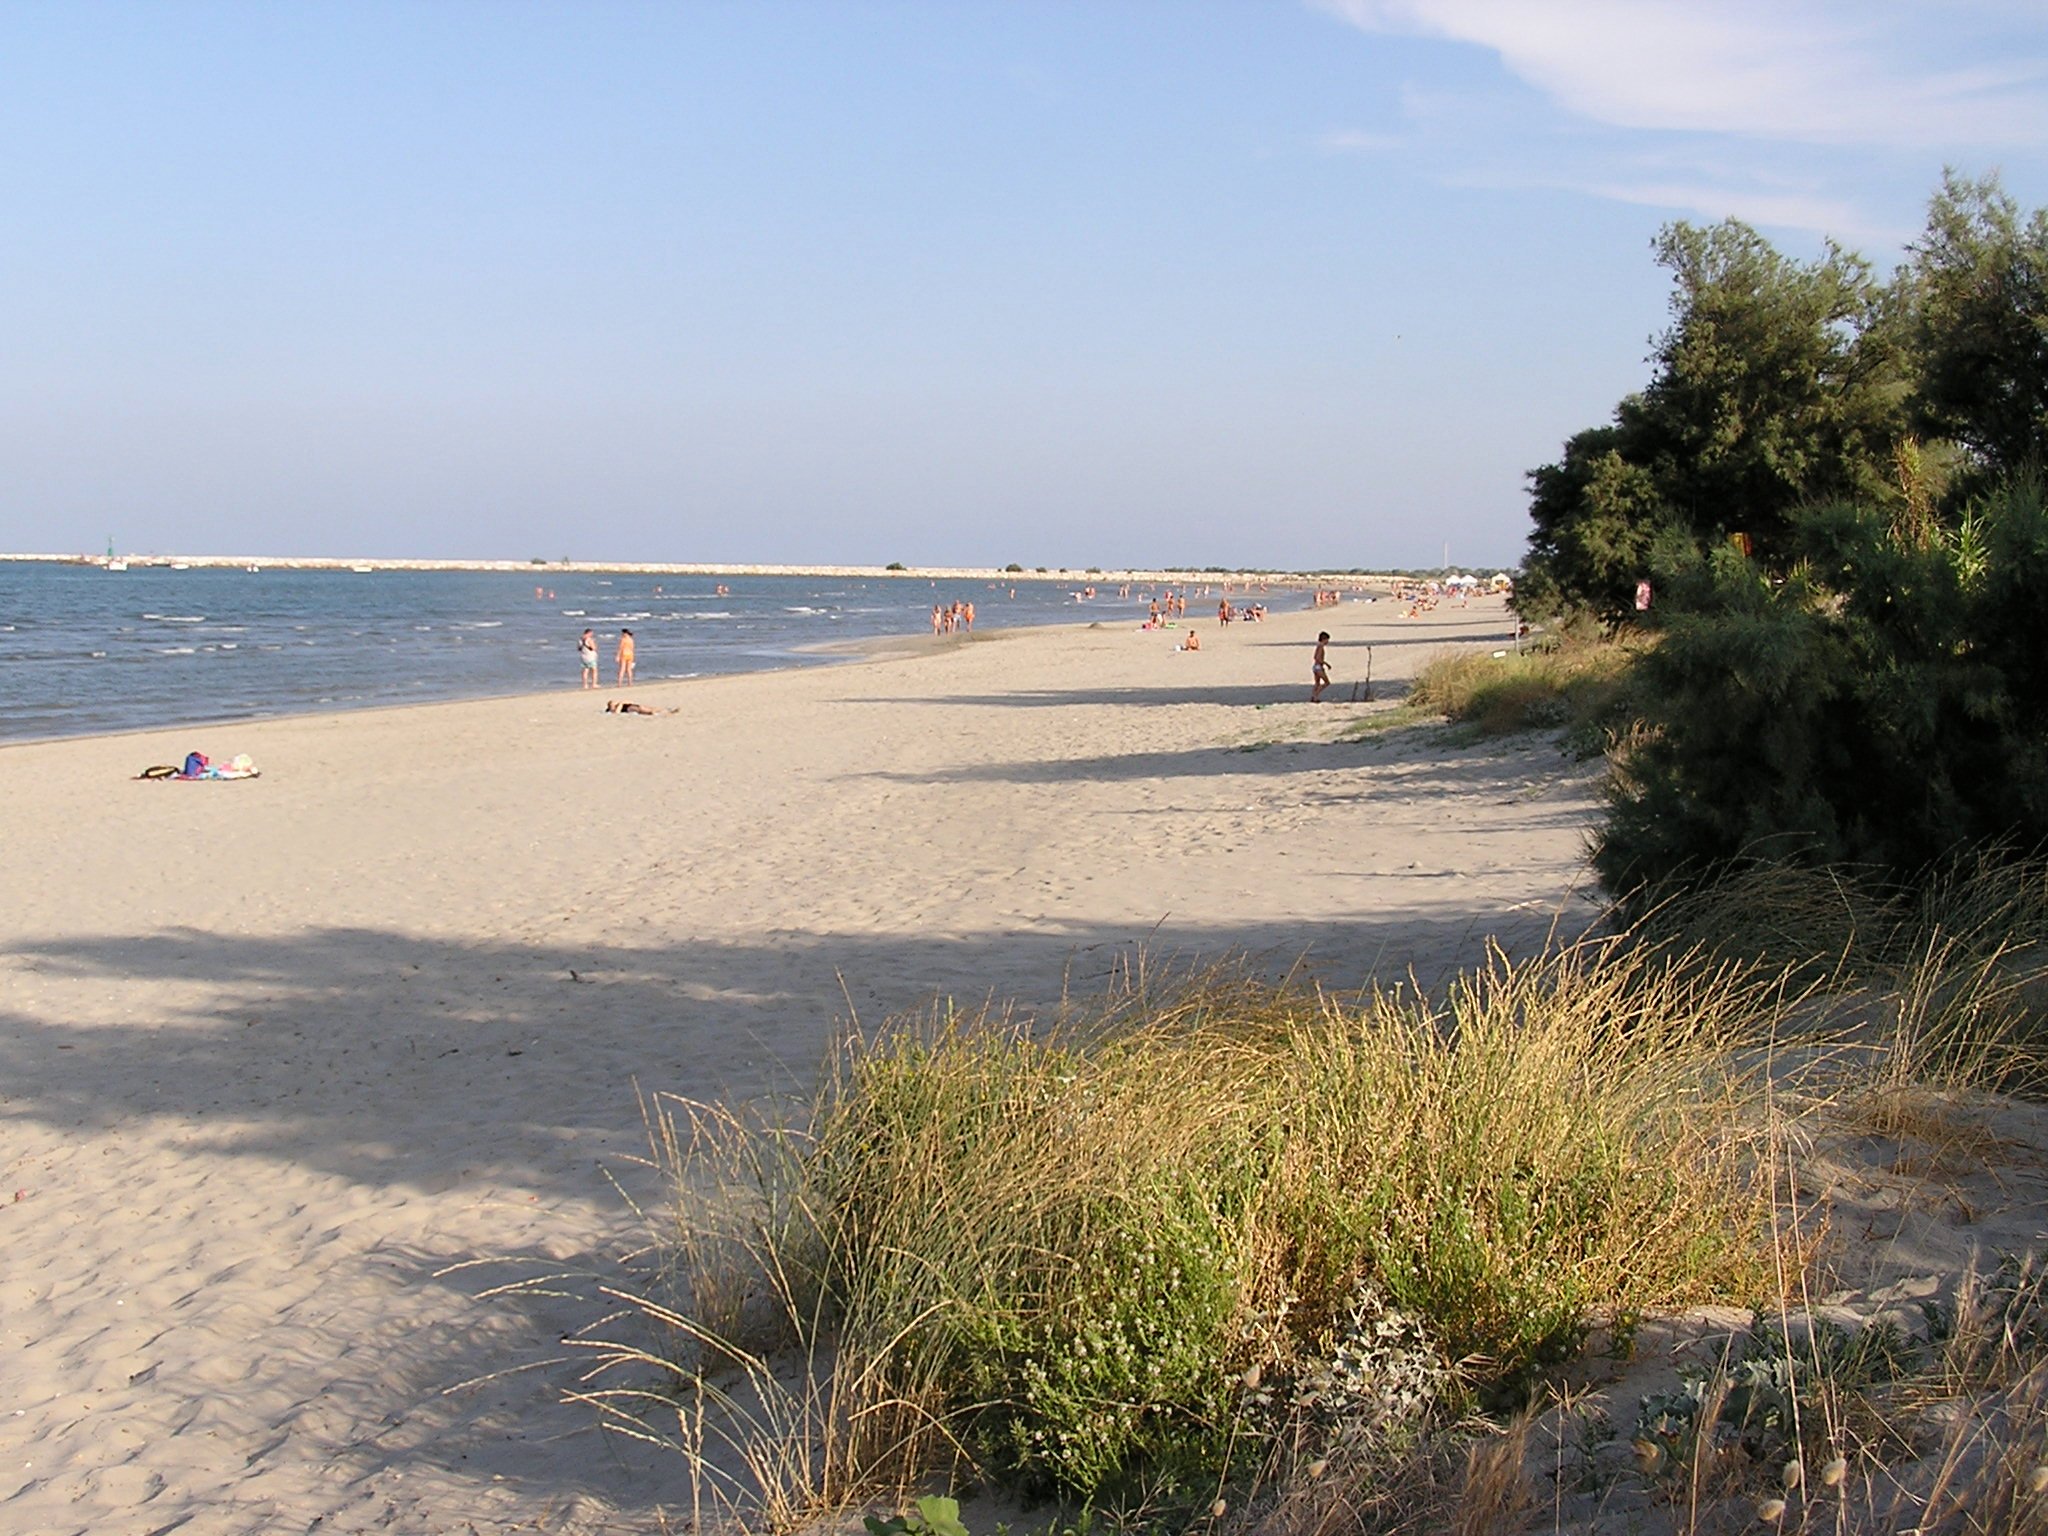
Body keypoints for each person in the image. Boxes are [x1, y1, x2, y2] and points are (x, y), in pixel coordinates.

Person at [1311, 631, 1332, 702]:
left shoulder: (1318, 646)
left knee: (1317, 683)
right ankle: (1316, 695)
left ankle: (1314, 697)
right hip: (1318, 667)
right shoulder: (1321, 647)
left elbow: (1314, 657)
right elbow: (1318, 658)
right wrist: (1326, 664)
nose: (1327, 642)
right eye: (1327, 640)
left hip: (1315, 666)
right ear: (1324, 639)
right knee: (1327, 682)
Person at [605, 699, 673, 715]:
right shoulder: (614, 709)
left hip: (633, 705)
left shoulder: (619, 705)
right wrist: (620, 703)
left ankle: (666, 710)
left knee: (651, 708)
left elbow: (630, 701)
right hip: (631, 708)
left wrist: (623, 702)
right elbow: (617, 712)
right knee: (647, 711)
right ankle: (664, 713)